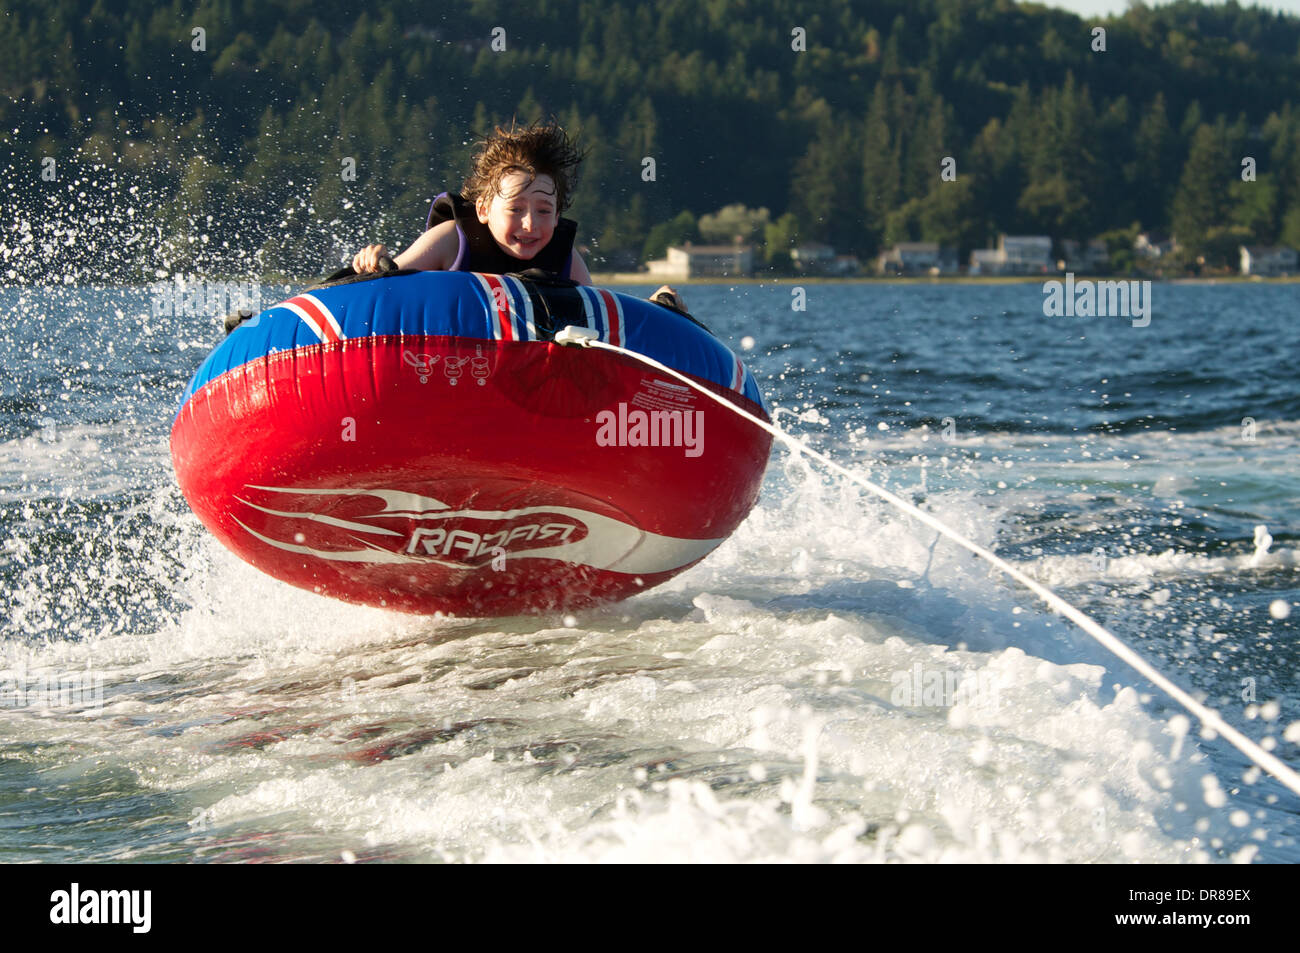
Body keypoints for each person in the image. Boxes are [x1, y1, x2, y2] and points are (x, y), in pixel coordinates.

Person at [351, 121, 685, 312]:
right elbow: (389, 284)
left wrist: (653, 309)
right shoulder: (451, 241)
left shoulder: (565, 261)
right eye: (515, 209)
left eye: (544, 211)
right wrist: (374, 264)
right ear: (483, 209)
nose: (530, 224)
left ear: (557, 218)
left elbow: (603, 318)